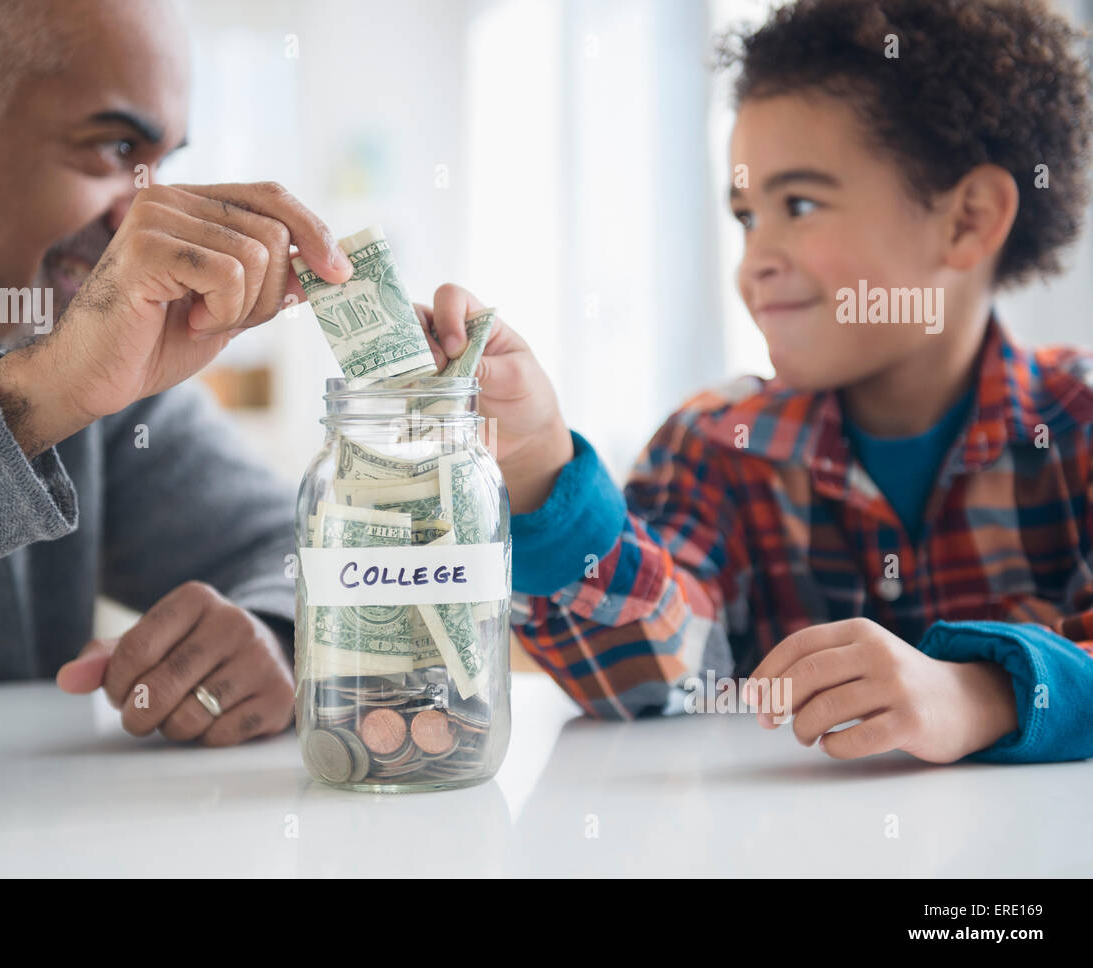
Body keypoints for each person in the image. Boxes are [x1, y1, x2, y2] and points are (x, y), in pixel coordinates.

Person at [423, 0, 1093, 764]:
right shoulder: (714, 445)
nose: (755, 262)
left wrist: (986, 692)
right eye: (746, 216)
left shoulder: (1079, 428)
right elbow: (650, 676)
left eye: (800, 204)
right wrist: (540, 463)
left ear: (969, 220)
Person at [0, 0, 353, 746]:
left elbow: (310, 548)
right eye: (114, 145)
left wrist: (274, 634)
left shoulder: (59, 326)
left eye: (164, 165)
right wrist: (36, 398)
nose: (141, 219)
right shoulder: (59, 360)